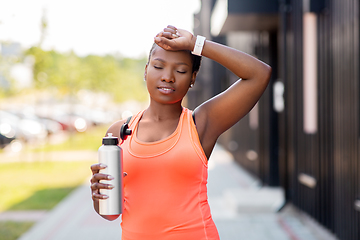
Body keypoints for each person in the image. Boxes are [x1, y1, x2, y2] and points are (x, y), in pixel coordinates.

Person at [90, 25, 271, 240]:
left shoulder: (201, 124)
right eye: (158, 66)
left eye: (181, 70)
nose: (168, 77)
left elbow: (259, 74)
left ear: (193, 78)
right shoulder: (119, 133)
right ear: (146, 70)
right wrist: (97, 196)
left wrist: (196, 44)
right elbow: (110, 214)